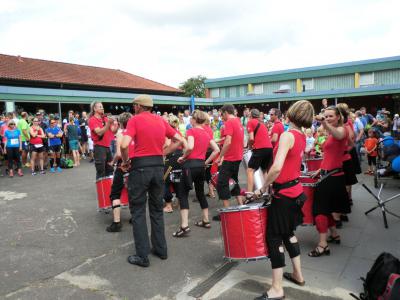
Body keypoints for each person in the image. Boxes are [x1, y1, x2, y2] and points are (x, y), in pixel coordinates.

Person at [253, 100, 314, 300]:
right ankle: (298, 274)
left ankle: (277, 289)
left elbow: (277, 167)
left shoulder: (288, 135)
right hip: (295, 191)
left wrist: (262, 187)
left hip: (285, 195)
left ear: (290, 114)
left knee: (274, 237)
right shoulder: (302, 135)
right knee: (288, 233)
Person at [121, 95, 185, 268]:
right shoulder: (160, 120)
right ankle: (161, 249)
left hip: (140, 168)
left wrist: (126, 161)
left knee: (138, 211)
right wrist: (163, 153)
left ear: (139, 106)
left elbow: (124, 144)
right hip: (158, 168)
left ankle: (142, 256)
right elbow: (180, 141)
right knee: (157, 209)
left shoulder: (135, 120)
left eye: (134, 105)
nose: (133, 108)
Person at [309, 106, 350, 258]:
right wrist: (320, 170)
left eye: (330, 116)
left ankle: (322, 245)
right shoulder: (332, 132)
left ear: (338, 116)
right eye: (325, 116)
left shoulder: (342, 130)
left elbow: (340, 136)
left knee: (319, 210)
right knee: (327, 208)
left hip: (332, 177)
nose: (327, 119)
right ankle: (334, 234)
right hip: (329, 175)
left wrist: (324, 124)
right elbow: (330, 156)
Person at [173, 110, 220, 237]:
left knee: (182, 193)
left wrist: (183, 157)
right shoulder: (206, 133)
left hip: (190, 165)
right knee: (200, 193)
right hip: (200, 166)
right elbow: (216, 150)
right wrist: (206, 161)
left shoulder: (191, 131)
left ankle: (184, 226)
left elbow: (190, 147)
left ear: (194, 120)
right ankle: (205, 220)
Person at [214, 104, 244, 220]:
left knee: (222, 183)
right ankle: (241, 206)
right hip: (237, 157)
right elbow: (234, 138)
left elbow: (228, 142)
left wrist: (220, 156)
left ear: (226, 112)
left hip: (230, 158)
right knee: (234, 181)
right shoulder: (237, 121)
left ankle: (227, 213)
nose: (221, 116)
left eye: (222, 114)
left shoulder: (229, 123)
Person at [107, 112, 133, 232]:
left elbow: (118, 153)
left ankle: (117, 223)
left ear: (121, 123)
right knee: (133, 193)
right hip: (135, 166)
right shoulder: (135, 133)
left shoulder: (121, 133)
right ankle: (134, 217)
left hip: (122, 166)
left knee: (115, 194)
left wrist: (113, 162)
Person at [245, 108, 273, 202]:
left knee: (250, 170)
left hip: (260, 148)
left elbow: (251, 138)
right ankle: (267, 192)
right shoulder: (262, 123)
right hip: (269, 148)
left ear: (251, 115)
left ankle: (249, 194)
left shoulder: (251, 122)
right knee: (264, 171)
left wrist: (249, 146)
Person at [88, 101, 117, 179]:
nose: (102, 108)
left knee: (110, 168)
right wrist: (108, 123)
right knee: (101, 170)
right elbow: (99, 133)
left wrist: (117, 123)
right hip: (99, 147)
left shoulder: (105, 118)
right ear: (94, 109)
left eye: (102, 106)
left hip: (108, 146)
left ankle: (109, 189)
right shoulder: (92, 120)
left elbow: (113, 131)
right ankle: (102, 190)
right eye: (100, 107)